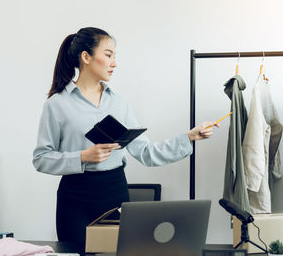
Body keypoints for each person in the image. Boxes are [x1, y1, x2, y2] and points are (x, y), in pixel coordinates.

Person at [32, 27, 217, 243]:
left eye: (114, 56)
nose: (114, 63)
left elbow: (146, 153)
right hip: (75, 198)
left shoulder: (119, 104)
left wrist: (189, 137)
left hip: (115, 192)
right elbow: (41, 158)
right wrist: (83, 156)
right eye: (108, 55)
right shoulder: (57, 104)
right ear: (86, 57)